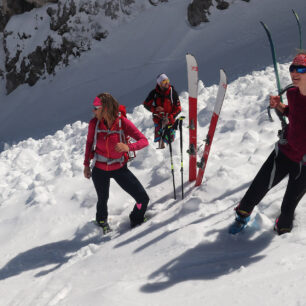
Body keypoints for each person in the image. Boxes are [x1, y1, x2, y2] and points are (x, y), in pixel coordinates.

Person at [229, 52, 306, 235]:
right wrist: (279, 106)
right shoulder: (292, 93)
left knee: (288, 207)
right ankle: (242, 217)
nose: (294, 73)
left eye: (301, 69)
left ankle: (281, 238)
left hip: (304, 163)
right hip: (284, 152)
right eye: (292, 68)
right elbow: (293, 114)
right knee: (256, 189)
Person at [83, 93, 150, 233]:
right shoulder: (94, 124)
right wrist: (86, 166)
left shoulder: (122, 122)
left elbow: (143, 140)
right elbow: (89, 144)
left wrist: (128, 147)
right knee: (103, 199)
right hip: (99, 169)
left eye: (96, 107)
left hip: (119, 168)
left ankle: (136, 218)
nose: (93, 111)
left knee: (142, 199)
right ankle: (101, 222)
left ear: (105, 108)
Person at [143, 73, 182, 148]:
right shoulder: (154, 93)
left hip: (170, 121)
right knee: (160, 142)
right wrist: (155, 109)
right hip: (158, 120)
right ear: (160, 84)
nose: (167, 82)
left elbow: (178, 109)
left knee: (170, 142)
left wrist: (169, 118)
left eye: (167, 80)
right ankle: (160, 153)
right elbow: (146, 104)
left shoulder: (172, 92)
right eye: (164, 81)